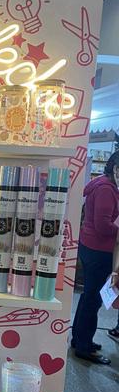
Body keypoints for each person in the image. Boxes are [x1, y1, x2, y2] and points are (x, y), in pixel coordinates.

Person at [71, 152, 119, 365]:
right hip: (99, 250)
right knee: (93, 298)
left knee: (89, 296)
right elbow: (103, 225)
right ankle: (84, 346)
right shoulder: (106, 189)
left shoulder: (101, 184)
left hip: (91, 247)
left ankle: (80, 339)